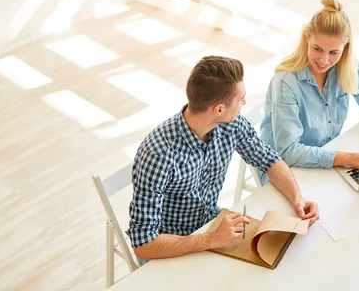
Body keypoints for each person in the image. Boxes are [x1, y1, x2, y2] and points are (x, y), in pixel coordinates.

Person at [128, 56, 319, 263]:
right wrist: (210, 239)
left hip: (210, 225)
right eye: (240, 99)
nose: (243, 103)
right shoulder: (158, 154)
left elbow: (268, 160)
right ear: (218, 109)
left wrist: (298, 200)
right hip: (168, 248)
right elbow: (144, 244)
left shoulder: (230, 124)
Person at [260, 0, 359, 177]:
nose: (324, 61)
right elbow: (288, 152)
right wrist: (350, 158)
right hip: (284, 169)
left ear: (345, 48)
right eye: (317, 49)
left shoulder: (347, 67)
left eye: (334, 52)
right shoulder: (286, 82)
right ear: (306, 38)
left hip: (327, 158)